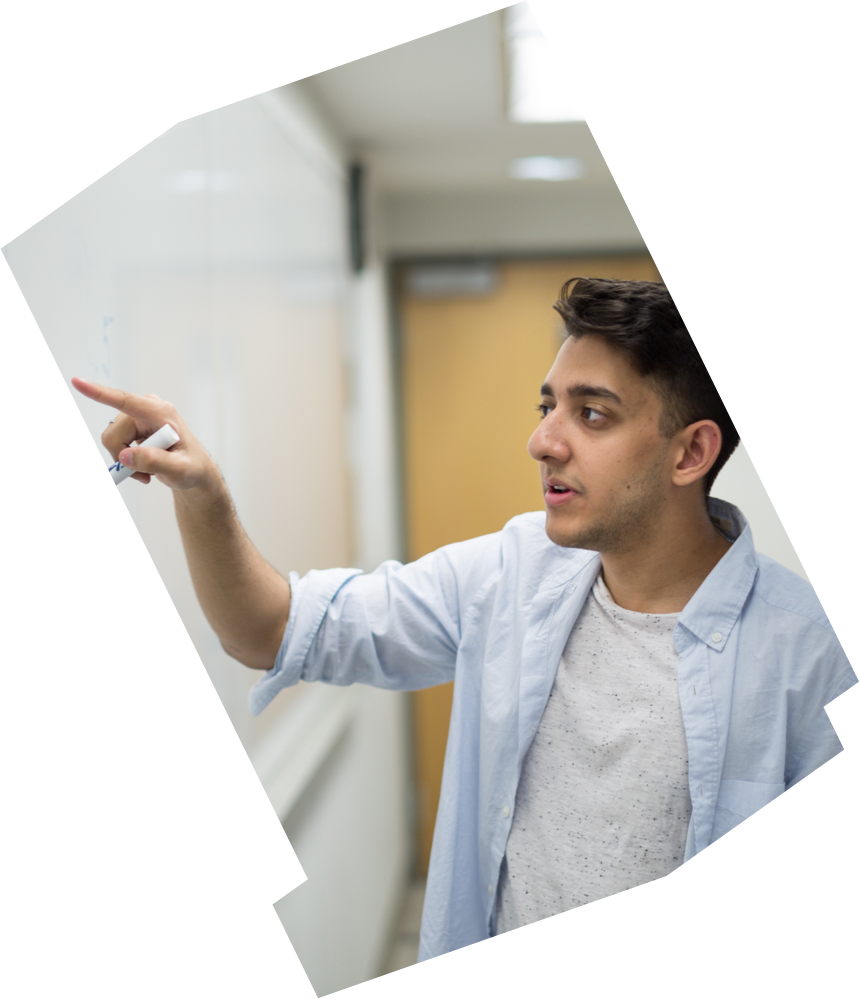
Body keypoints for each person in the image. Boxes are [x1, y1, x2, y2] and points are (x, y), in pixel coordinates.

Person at [73, 277, 855, 960]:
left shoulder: (809, 654)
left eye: (592, 414)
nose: (541, 440)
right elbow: (271, 630)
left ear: (690, 453)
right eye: (549, 404)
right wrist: (203, 495)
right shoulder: (508, 574)